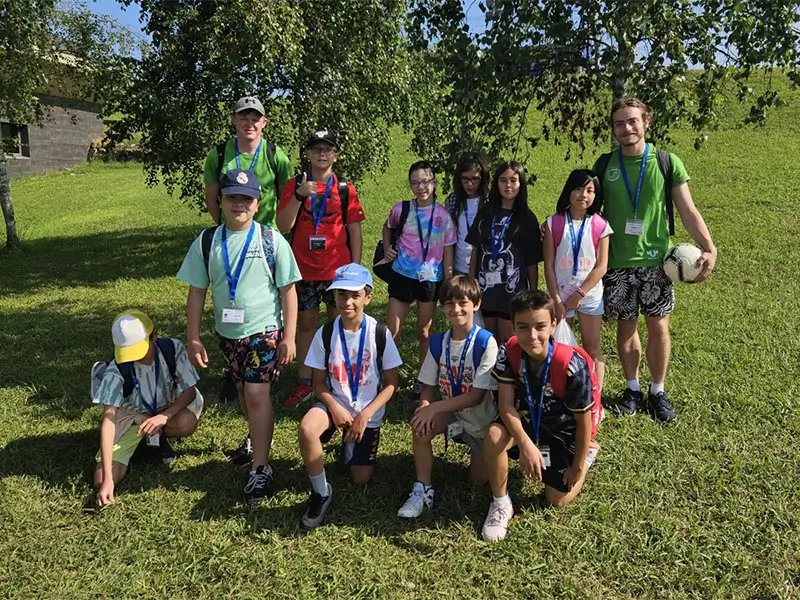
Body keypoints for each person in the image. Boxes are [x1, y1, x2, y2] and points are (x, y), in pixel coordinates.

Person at [177, 168, 300, 504]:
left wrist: (289, 336)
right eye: (232, 197)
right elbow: (197, 291)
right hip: (228, 336)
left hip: (264, 331)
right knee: (246, 393)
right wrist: (193, 337)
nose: (239, 204)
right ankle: (257, 437)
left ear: (257, 203)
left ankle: (261, 469)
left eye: (246, 198)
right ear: (220, 201)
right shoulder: (207, 241)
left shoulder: (271, 240)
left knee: (258, 393)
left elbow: (289, 291)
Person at [594, 96, 717, 422]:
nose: (626, 128)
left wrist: (709, 246)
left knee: (658, 326)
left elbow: (687, 210)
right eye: (619, 123)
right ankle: (632, 389)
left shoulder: (666, 162)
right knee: (626, 326)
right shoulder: (605, 166)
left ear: (646, 122)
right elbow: (587, 213)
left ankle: (657, 391)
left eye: (632, 121)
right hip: (617, 262)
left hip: (658, 263)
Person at [481, 290, 601, 542]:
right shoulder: (509, 351)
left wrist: (577, 467)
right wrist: (526, 446)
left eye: (540, 326)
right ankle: (501, 503)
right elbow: (505, 406)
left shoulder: (571, 365)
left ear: (553, 325)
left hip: (563, 428)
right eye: (523, 327)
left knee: (557, 499)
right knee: (494, 437)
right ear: (512, 326)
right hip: (526, 421)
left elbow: (583, 423)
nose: (532, 336)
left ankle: (587, 455)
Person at [298, 263, 402, 529]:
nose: (348, 302)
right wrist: (334, 407)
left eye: (355, 295)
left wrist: (365, 415)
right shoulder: (326, 332)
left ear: (368, 297)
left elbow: (391, 384)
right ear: (333, 296)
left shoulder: (379, 333)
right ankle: (321, 492)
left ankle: (351, 441)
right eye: (341, 295)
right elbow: (319, 384)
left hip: (367, 413)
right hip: (335, 405)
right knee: (308, 428)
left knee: (360, 479)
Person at [276, 130, 366, 409]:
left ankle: (337, 377)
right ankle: (304, 380)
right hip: (304, 269)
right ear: (309, 154)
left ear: (336, 155)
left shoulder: (344, 189)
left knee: (341, 322)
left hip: (338, 272)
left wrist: (354, 269)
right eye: (316, 150)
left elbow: (354, 229)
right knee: (306, 323)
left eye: (327, 149)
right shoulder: (296, 184)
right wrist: (299, 197)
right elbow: (283, 226)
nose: (322, 154)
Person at [397, 276, 498, 519]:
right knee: (420, 426)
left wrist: (435, 408)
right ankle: (422, 488)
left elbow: (476, 396)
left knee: (478, 480)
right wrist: (424, 408)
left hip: (482, 421)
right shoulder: (437, 342)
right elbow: (427, 386)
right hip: (453, 415)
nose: (456, 309)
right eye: (449, 303)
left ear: (476, 304)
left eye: (462, 302)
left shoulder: (486, 343)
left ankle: (481, 455)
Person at [93, 310, 203, 508]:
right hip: (130, 417)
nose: (136, 357)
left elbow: (190, 392)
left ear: (154, 335)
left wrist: (163, 417)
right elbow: (108, 420)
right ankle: (142, 439)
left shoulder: (172, 348)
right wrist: (109, 479)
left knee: (186, 422)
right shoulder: (117, 368)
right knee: (100, 479)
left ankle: (157, 437)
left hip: (166, 409)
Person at [382, 161, 457, 403]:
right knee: (392, 330)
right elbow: (387, 227)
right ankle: (386, 379)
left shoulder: (443, 215)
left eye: (425, 181)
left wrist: (448, 281)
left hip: (430, 279)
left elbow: (447, 251)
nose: (421, 187)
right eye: (415, 182)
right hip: (402, 274)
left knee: (424, 332)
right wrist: (387, 249)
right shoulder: (401, 209)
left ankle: (422, 381)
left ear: (434, 183)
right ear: (410, 185)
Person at [542, 169, 611, 392]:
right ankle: (561, 393)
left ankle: (595, 397)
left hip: (589, 296)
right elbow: (549, 266)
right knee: (560, 349)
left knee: (592, 347)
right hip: (560, 296)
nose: (584, 195)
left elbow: (602, 266)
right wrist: (556, 299)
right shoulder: (554, 223)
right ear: (569, 191)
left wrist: (579, 294)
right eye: (579, 189)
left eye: (590, 190)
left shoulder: (600, 225)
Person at [467, 161, 543, 343]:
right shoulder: (485, 213)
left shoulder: (527, 218)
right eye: (503, 180)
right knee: (486, 344)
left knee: (508, 346)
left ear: (521, 184)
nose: (508, 185)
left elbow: (532, 261)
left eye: (513, 180)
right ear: (496, 184)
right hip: (485, 292)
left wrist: (533, 292)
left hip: (513, 293)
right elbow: (475, 250)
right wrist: (471, 285)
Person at [203, 96, 293, 229]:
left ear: (264, 123)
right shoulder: (218, 155)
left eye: (255, 120)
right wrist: (228, 225)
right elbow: (211, 201)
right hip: (230, 235)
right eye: (243, 118)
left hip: (266, 234)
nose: (249, 124)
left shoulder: (276, 156)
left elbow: (287, 200)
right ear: (234, 120)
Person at [444, 152, 490, 276]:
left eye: (474, 179)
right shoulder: (453, 201)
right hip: (458, 267)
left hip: (483, 268)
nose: (469, 184)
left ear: (483, 178)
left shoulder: (489, 202)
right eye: (465, 179)